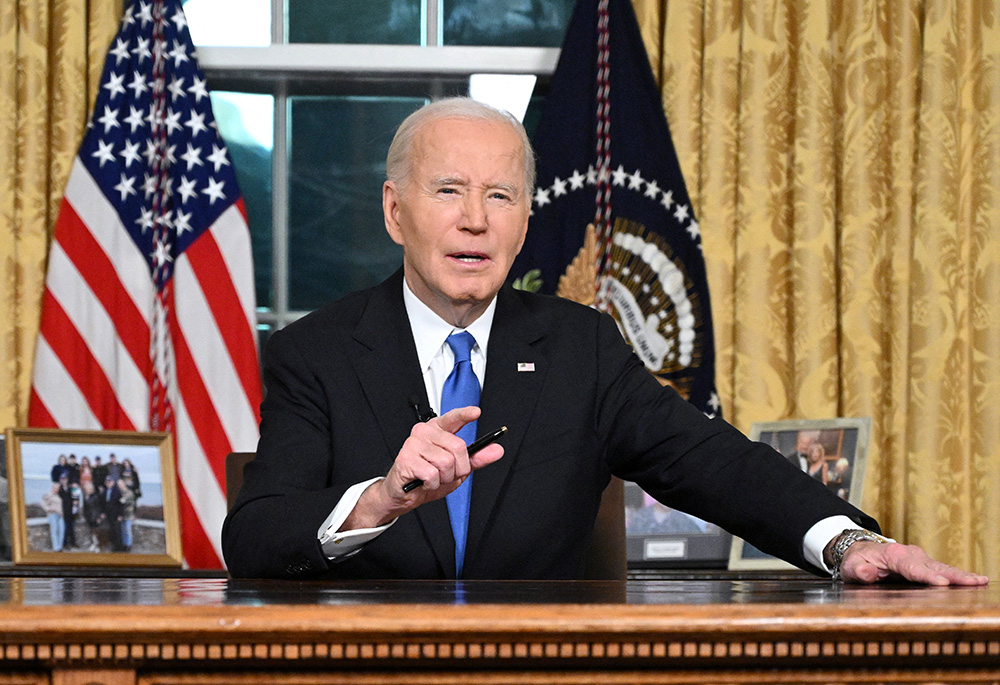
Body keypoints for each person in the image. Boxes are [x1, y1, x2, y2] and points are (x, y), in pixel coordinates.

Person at [222, 98, 987, 587]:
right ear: (396, 212)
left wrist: (846, 540)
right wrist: (381, 499)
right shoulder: (314, 352)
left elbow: (710, 460)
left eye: (501, 196)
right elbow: (255, 537)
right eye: (449, 190)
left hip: (543, 674)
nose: (475, 219)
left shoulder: (580, 348)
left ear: (525, 222)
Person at [43, 483, 64, 552]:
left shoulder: (60, 495)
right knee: (54, 531)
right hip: (53, 515)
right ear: (52, 488)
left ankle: (60, 547)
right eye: (55, 488)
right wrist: (49, 508)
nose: (56, 489)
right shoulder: (49, 495)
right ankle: (56, 548)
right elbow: (43, 504)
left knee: (61, 530)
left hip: (60, 515)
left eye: (58, 488)